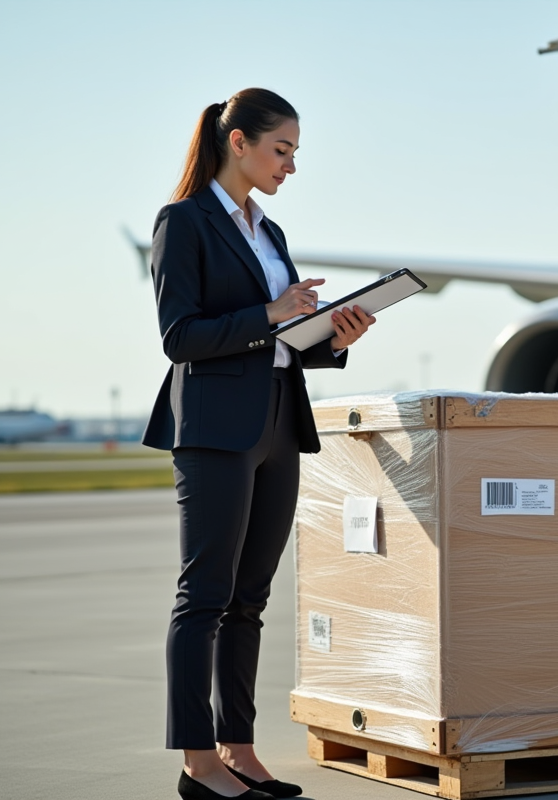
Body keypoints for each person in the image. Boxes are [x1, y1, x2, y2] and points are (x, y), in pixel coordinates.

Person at [143, 88, 375, 800]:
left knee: (251, 598)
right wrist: (269, 312)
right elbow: (180, 337)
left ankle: (238, 748)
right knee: (204, 597)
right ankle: (197, 762)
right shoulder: (183, 223)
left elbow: (276, 342)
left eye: (296, 154)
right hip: (214, 425)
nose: (291, 166)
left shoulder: (268, 232)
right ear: (237, 142)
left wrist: (332, 338)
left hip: (277, 419)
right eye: (283, 150)